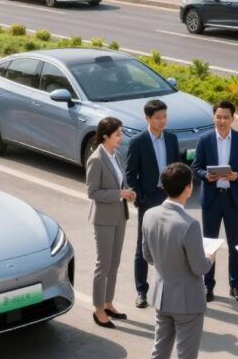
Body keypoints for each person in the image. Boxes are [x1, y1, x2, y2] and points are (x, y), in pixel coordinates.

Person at [142, 163, 215, 359]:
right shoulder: (189, 224)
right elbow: (199, 267)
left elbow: (147, 256)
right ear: (188, 188)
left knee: (159, 351)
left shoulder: (149, 215)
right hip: (187, 301)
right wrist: (210, 258)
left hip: (161, 296)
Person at [192, 100, 238, 303]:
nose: (222, 121)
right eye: (218, 116)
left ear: (233, 118)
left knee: (235, 244)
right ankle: (207, 285)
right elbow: (196, 167)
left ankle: (234, 285)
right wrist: (205, 175)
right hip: (212, 198)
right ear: (213, 117)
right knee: (209, 245)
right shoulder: (205, 140)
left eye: (226, 117)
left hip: (232, 199)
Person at [126, 99, 181, 309]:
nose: (162, 121)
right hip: (148, 200)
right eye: (158, 118)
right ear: (148, 118)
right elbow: (130, 175)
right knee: (144, 246)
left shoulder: (171, 139)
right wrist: (141, 197)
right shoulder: (138, 142)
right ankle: (142, 291)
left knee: (171, 244)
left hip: (169, 197)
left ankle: (169, 288)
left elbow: (176, 166)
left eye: (164, 116)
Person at [86, 116, 137, 328]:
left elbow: (120, 182)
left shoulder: (115, 155)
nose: (121, 137)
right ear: (106, 136)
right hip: (103, 219)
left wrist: (126, 193)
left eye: (121, 132)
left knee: (114, 264)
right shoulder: (96, 159)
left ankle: (108, 303)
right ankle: (98, 309)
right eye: (118, 134)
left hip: (119, 215)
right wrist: (120, 193)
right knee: (103, 265)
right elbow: (93, 192)